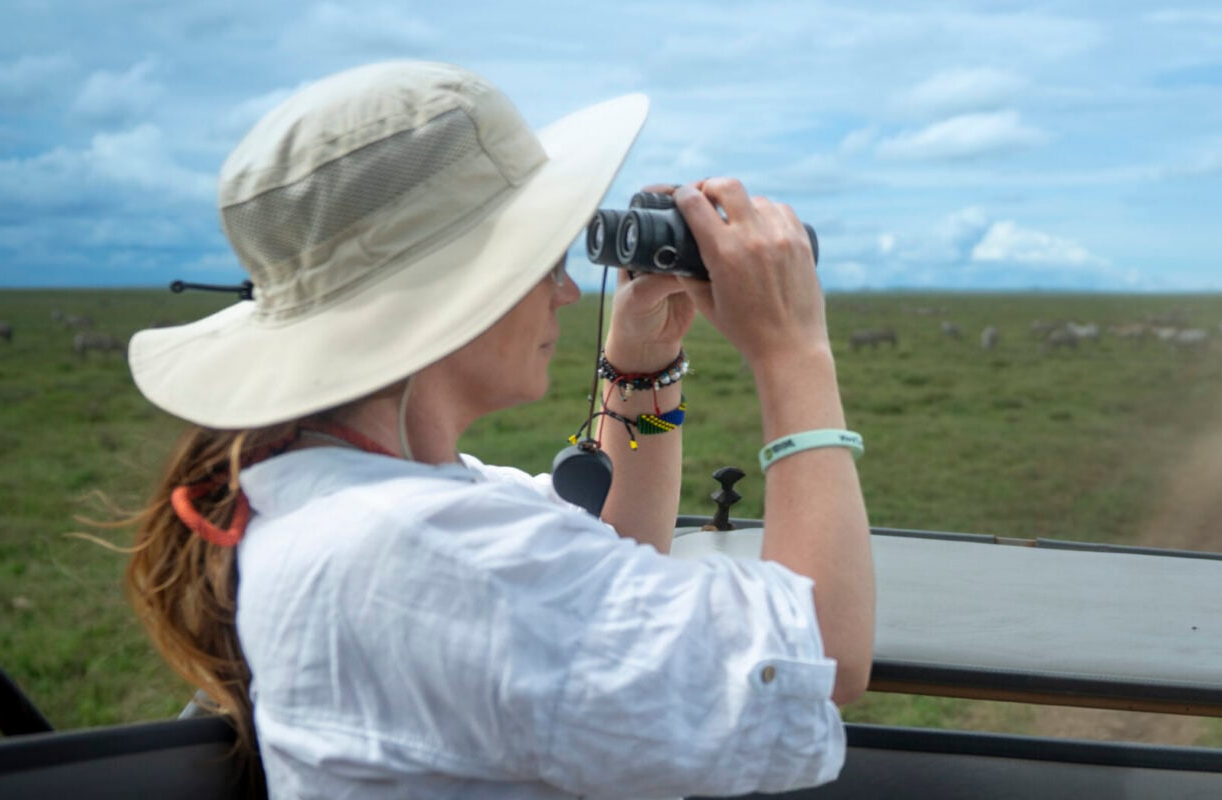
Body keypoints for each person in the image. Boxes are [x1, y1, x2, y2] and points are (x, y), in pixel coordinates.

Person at [122, 61, 874, 799]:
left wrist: (642, 370)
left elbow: (613, 554)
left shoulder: (337, 492)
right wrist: (792, 353)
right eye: (541, 261)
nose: (568, 292)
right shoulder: (431, 550)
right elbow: (814, 657)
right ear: (452, 294)